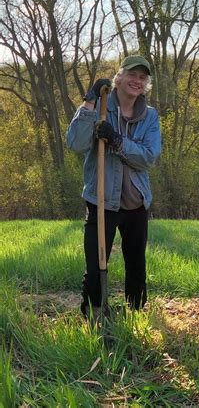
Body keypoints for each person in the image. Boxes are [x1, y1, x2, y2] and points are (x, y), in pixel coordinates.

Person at [66, 55, 161, 317]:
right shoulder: (100, 108)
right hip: (101, 200)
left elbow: (148, 157)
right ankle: (94, 315)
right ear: (119, 78)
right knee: (96, 266)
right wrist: (89, 101)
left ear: (146, 84)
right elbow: (75, 144)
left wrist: (117, 141)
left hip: (136, 203)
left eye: (142, 77)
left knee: (136, 266)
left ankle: (136, 315)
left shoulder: (150, 117)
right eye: (132, 74)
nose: (137, 81)